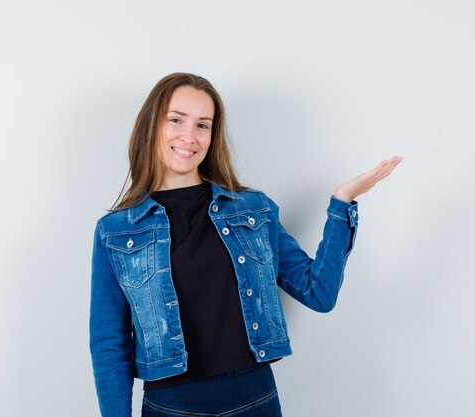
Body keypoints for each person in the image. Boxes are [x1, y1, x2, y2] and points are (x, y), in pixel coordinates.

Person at [89, 72, 402, 417]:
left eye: (202, 125)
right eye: (176, 120)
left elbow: (319, 293)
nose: (188, 136)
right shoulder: (116, 232)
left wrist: (342, 204)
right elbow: (109, 345)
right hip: (171, 407)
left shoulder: (253, 210)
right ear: (152, 126)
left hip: (254, 401)